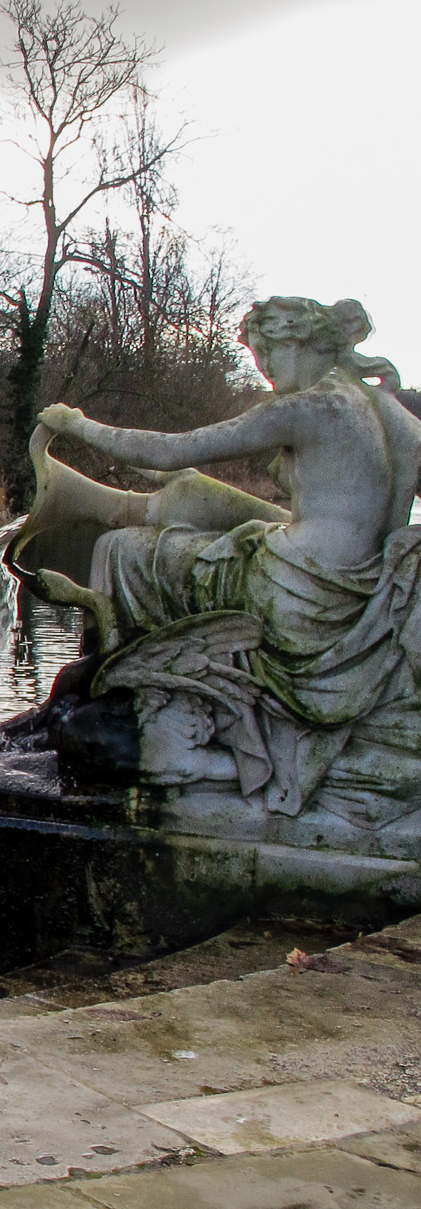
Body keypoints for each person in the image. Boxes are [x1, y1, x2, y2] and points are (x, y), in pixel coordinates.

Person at [33, 297, 421, 821]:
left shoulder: (310, 408)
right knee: (213, 528)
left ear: (297, 342)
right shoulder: (391, 413)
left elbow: (172, 450)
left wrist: (77, 424)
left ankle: (126, 699)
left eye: (267, 354)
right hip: (358, 594)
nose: (266, 370)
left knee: (123, 551)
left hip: (293, 591)